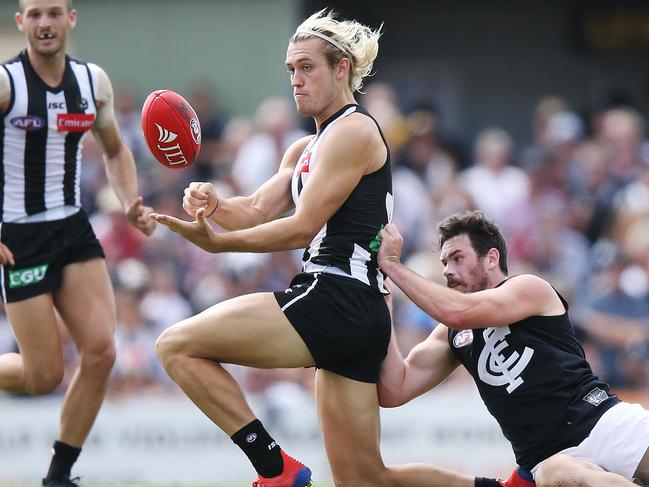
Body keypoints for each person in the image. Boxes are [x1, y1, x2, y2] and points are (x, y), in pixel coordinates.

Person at [150, 9, 519, 487]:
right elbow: (258, 208)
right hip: (357, 310)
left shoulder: (354, 131)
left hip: (335, 296)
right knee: (366, 478)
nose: (296, 81)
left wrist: (220, 245)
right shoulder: (306, 147)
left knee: (176, 346)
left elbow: (303, 227)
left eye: (307, 68)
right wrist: (214, 202)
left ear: (341, 68)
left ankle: (274, 468)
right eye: (290, 70)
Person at [376, 210, 649, 487]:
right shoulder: (452, 334)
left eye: (458, 258)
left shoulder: (528, 287)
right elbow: (394, 389)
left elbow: (456, 312)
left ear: (491, 258)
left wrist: (393, 266)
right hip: (548, 463)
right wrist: (383, 302)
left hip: (604, 425)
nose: (447, 270)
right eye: (444, 262)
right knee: (555, 472)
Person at [0, 0, 156, 485]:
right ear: (21, 22)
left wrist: (130, 201)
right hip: (19, 235)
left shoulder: (93, 83)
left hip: (72, 227)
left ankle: (58, 475)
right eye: (35, 14)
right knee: (42, 376)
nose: (45, 23)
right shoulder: (7, 84)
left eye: (54, 12)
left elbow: (115, 149)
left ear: (71, 18)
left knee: (102, 352)